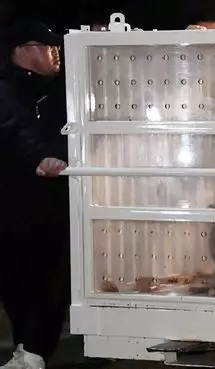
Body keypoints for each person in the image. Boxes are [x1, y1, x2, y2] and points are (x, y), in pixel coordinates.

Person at [0, 19, 70, 369]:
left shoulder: (62, 91)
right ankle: (26, 349)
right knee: (15, 278)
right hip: (14, 204)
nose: (55, 51)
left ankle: (33, 352)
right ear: (22, 52)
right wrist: (39, 157)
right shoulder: (7, 91)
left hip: (49, 203)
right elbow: (12, 126)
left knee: (48, 277)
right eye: (45, 46)